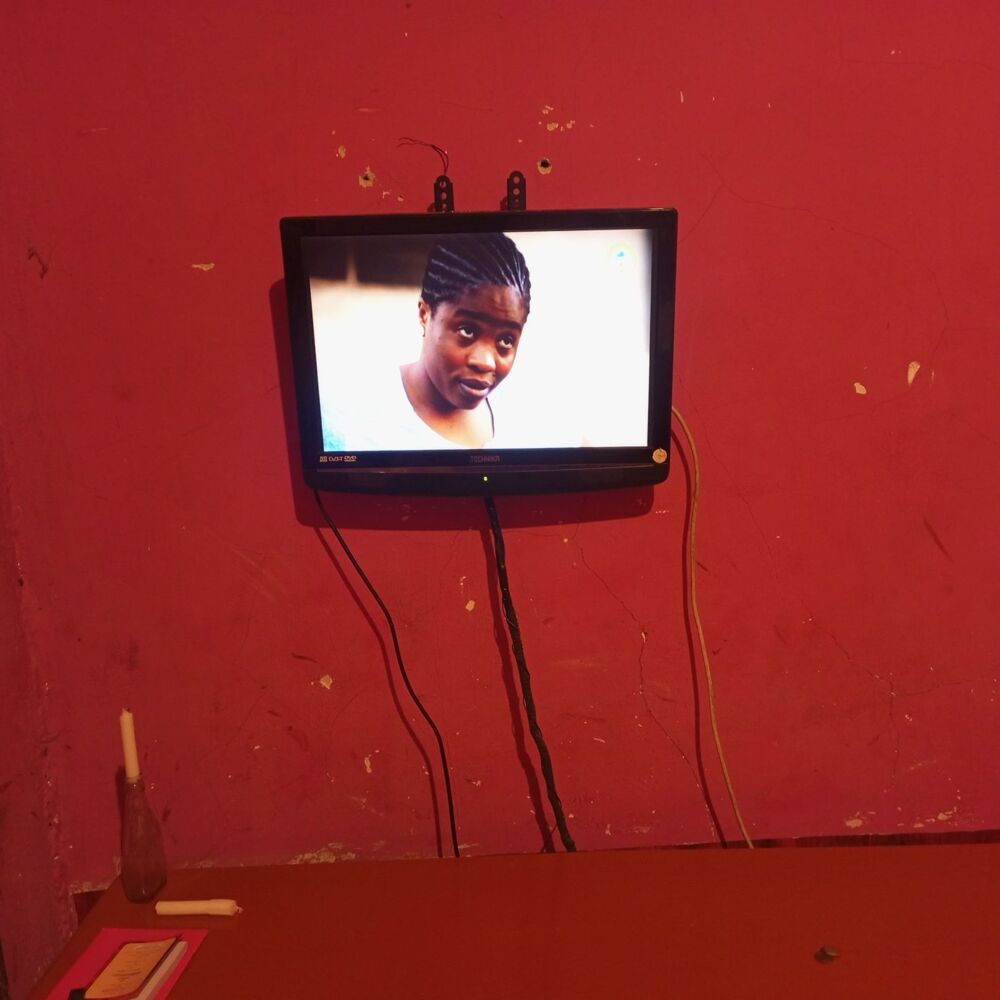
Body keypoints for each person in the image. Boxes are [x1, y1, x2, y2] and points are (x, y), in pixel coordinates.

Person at [400, 233, 531, 448]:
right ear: (425, 314)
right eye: (467, 331)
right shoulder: (355, 418)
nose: (486, 362)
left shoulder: (524, 418)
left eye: (506, 341)